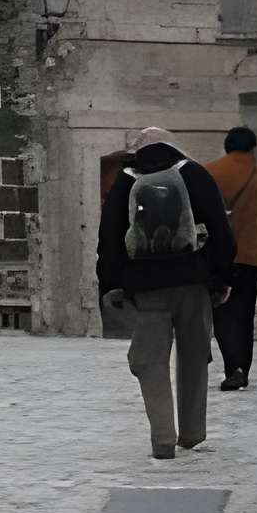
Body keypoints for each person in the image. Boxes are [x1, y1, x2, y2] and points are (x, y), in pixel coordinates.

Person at [97, 126, 236, 459]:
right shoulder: (195, 174)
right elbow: (221, 231)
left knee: (149, 361)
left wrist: (111, 283)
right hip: (194, 283)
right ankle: (192, 433)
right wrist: (221, 279)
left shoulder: (127, 180)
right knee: (194, 357)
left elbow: (110, 238)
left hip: (147, 289)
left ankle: (162, 437)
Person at [206, 125, 257, 392]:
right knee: (245, 314)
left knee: (222, 314)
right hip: (252, 255)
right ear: (252, 147)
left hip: (222, 255)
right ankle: (243, 366)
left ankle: (233, 368)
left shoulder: (210, 172)